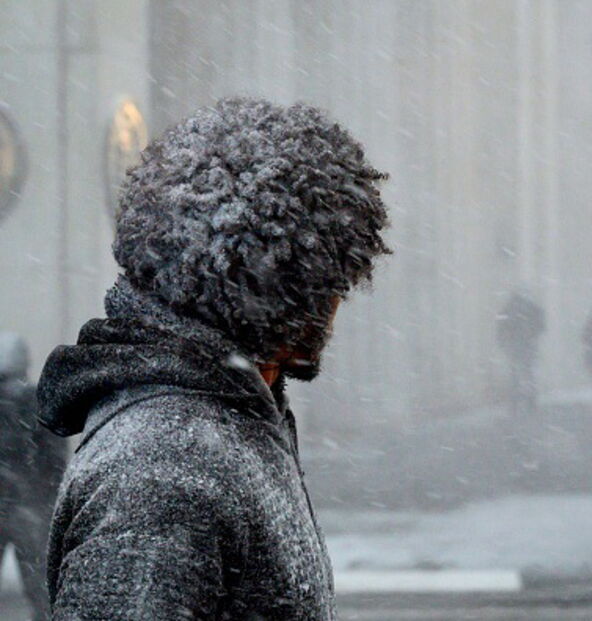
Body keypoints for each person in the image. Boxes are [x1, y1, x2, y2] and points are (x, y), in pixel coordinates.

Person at [36, 98, 390, 619]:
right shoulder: (164, 472)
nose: (340, 299)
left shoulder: (225, 422)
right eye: (330, 279)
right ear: (278, 292)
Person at [0, 332, 67, 620]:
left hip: (16, 501)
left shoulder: (31, 402)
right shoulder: (39, 400)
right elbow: (55, 456)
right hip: (30, 505)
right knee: (40, 587)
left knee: (39, 584)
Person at [496, 291, 545, 415]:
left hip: (514, 347)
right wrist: (533, 336)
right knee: (528, 374)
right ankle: (531, 402)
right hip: (527, 345)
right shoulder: (530, 310)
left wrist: (503, 343)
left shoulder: (507, 310)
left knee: (514, 375)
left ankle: (514, 404)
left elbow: (501, 328)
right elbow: (540, 326)